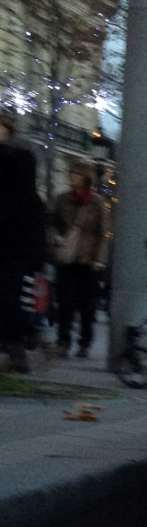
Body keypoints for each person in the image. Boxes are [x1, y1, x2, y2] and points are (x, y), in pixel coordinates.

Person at [0, 114, 47, 373]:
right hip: (15, 246)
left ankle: (29, 335)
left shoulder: (19, 159)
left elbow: (19, 208)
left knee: (8, 299)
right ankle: (19, 351)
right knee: (8, 300)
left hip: (15, 247)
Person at [50, 165, 111, 358]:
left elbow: (104, 233)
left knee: (87, 304)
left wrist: (99, 259)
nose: (72, 177)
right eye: (71, 173)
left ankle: (85, 342)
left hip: (89, 260)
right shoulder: (62, 199)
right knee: (65, 301)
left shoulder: (97, 203)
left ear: (85, 178)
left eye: (76, 174)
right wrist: (56, 236)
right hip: (67, 257)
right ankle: (63, 341)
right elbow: (51, 222)